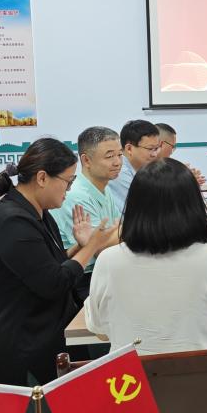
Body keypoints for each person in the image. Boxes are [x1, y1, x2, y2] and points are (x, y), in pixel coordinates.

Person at [0, 138, 119, 385]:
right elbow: (54, 283)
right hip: (21, 342)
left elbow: (53, 264)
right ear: (42, 178)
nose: (69, 190)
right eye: (68, 181)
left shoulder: (37, 212)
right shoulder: (13, 222)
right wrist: (92, 246)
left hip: (41, 323)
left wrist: (80, 246)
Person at [85, 159, 207, 355]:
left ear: (134, 207)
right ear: (194, 206)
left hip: (132, 375)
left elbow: (101, 333)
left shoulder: (108, 261)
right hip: (203, 374)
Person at [48, 126, 123, 298]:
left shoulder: (104, 187)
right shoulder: (76, 194)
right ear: (86, 160)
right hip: (82, 279)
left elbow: (118, 230)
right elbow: (101, 248)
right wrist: (137, 226)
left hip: (101, 271)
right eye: (109, 156)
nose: (117, 162)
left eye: (119, 155)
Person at [107, 119, 160, 210]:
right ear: (129, 149)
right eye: (150, 149)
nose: (154, 154)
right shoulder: (119, 172)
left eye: (156, 149)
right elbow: (145, 208)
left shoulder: (144, 168)